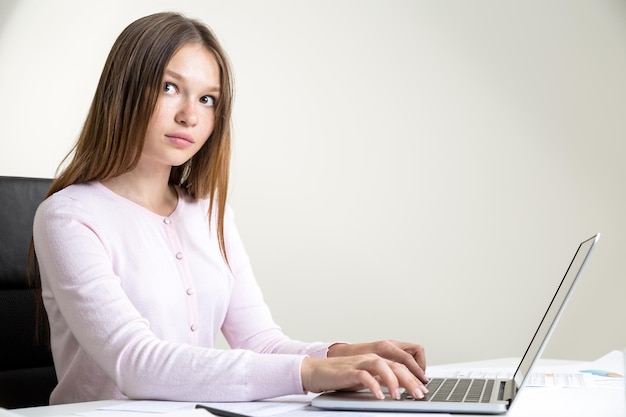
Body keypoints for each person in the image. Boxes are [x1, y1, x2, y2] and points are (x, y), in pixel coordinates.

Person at [32, 12, 428, 405]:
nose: (190, 115)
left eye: (207, 99)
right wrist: (309, 372)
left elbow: (260, 342)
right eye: (170, 87)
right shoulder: (69, 216)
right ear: (124, 90)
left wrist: (346, 355)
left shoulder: (209, 213)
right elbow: (136, 363)